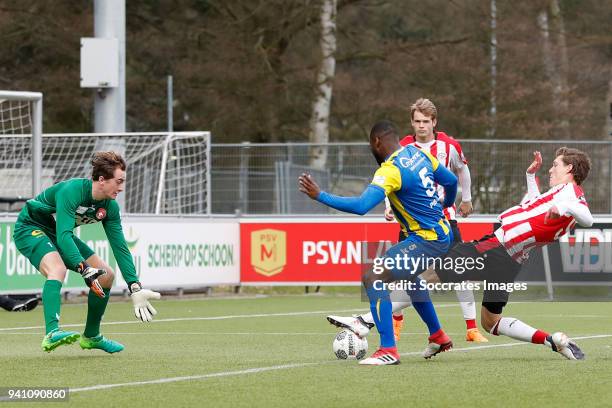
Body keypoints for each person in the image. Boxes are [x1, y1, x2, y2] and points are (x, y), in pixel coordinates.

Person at [299, 120, 458, 365]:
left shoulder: (390, 169)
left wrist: (320, 195)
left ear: (376, 142)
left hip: (427, 240)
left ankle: (388, 349)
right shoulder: (418, 153)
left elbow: (362, 206)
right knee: (410, 278)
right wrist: (444, 206)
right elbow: (450, 181)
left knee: (373, 277)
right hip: (442, 233)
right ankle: (438, 336)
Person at [417, 148, 592, 360]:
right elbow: (532, 205)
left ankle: (367, 322)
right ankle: (551, 340)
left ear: (569, 168)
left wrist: (564, 207)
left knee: (430, 275)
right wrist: (530, 177)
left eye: (555, 165)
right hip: (511, 260)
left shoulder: (571, 194)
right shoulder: (561, 193)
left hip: (497, 247)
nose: (550, 170)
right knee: (491, 322)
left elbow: (587, 218)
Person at [13, 151, 161, 353]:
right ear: (102, 180)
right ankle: (51, 333)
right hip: (30, 227)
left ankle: (92, 336)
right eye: (118, 181)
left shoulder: (110, 208)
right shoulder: (72, 191)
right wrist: (83, 268)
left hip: (56, 233)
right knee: (57, 269)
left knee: (107, 275)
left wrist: (134, 286)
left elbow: (120, 247)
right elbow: (64, 236)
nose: (122, 187)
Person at [380, 98, 486, 343]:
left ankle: (471, 328)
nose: (421, 126)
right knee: (403, 275)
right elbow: (388, 178)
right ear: (412, 123)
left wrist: (466, 199)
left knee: (461, 270)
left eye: (426, 121)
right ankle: (396, 322)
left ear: (434, 122)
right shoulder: (402, 147)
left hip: (445, 222)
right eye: (417, 121)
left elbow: (462, 170)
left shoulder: (449, 146)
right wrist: (388, 206)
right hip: (412, 224)